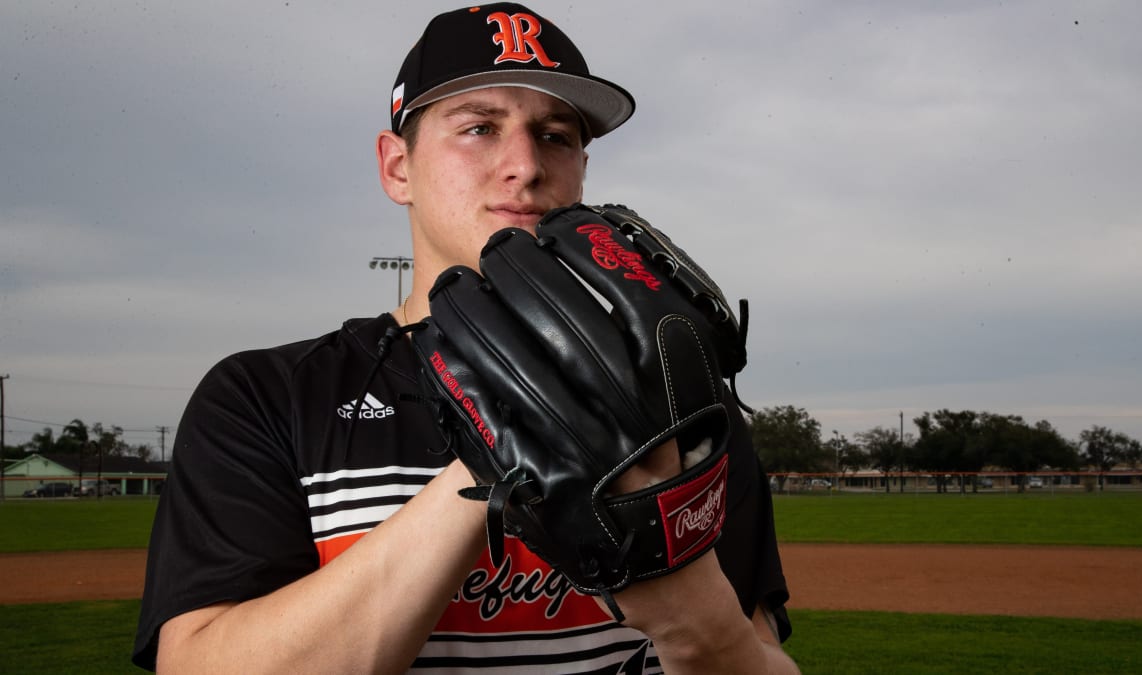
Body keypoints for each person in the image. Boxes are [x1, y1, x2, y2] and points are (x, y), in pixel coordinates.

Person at [134, 4, 798, 673]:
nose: (525, 166)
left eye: (556, 136)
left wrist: (700, 630)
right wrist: (506, 446)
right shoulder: (268, 395)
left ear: (581, 171)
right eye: (479, 127)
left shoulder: (680, 395)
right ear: (398, 167)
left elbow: (760, 655)